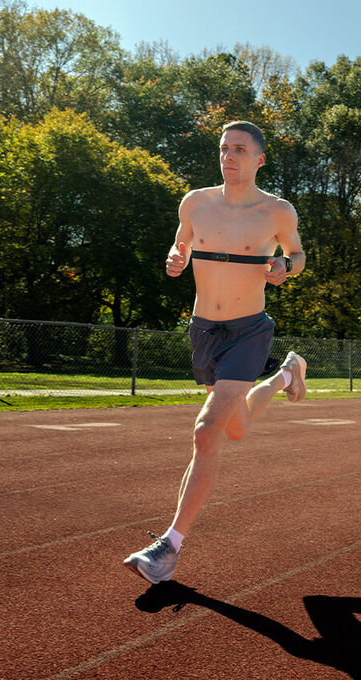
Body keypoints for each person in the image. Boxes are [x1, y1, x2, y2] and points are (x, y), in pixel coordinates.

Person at [124, 120, 307, 584]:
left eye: (240, 150)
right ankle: (288, 373)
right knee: (237, 429)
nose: (229, 156)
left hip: (248, 329)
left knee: (207, 432)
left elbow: (298, 255)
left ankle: (169, 547)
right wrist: (176, 257)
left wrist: (285, 264)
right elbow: (180, 241)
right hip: (204, 329)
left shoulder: (277, 211)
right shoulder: (195, 203)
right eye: (224, 148)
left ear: (259, 159)